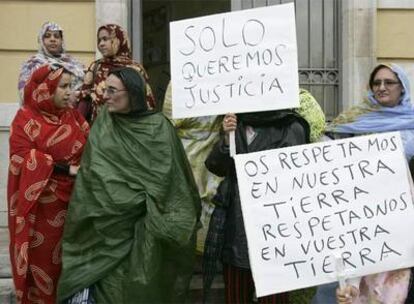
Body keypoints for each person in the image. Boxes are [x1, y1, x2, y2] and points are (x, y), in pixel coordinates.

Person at [57, 67, 201, 304]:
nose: (106, 96)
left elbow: (172, 181)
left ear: (132, 93)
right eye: (105, 90)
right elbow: (93, 176)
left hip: (146, 229)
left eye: (113, 91)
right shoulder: (104, 123)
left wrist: (141, 202)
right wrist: (119, 199)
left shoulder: (159, 128)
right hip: (104, 230)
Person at [310, 63, 414, 304]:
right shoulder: (355, 119)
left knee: (389, 288)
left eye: (389, 82)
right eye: (376, 83)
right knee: (344, 285)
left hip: (397, 223)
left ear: (402, 87)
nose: (382, 87)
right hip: (356, 218)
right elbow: (328, 149)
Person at [205, 95, 314, 303]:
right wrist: (227, 140)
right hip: (237, 229)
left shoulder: (292, 127)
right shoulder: (235, 123)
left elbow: (299, 180)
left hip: (277, 235)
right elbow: (215, 166)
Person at [8, 64, 89, 304]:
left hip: (75, 206)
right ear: (45, 89)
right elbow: (21, 158)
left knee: (70, 266)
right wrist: (64, 168)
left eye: (69, 86)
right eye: (62, 87)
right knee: (43, 266)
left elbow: (90, 146)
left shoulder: (72, 115)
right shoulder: (25, 119)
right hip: (41, 212)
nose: (68, 92)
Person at [77, 24, 155, 124]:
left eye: (105, 39)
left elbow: (146, 101)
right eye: (99, 40)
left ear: (119, 40)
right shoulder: (95, 67)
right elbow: (85, 98)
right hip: (100, 129)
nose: (101, 44)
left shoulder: (135, 68)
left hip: (128, 128)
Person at [18, 22, 85, 105]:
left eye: (56, 36)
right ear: (41, 40)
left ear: (62, 41)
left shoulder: (74, 63)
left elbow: (84, 87)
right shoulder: (31, 64)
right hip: (41, 113)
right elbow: (25, 94)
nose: (52, 39)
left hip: (71, 114)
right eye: (47, 36)